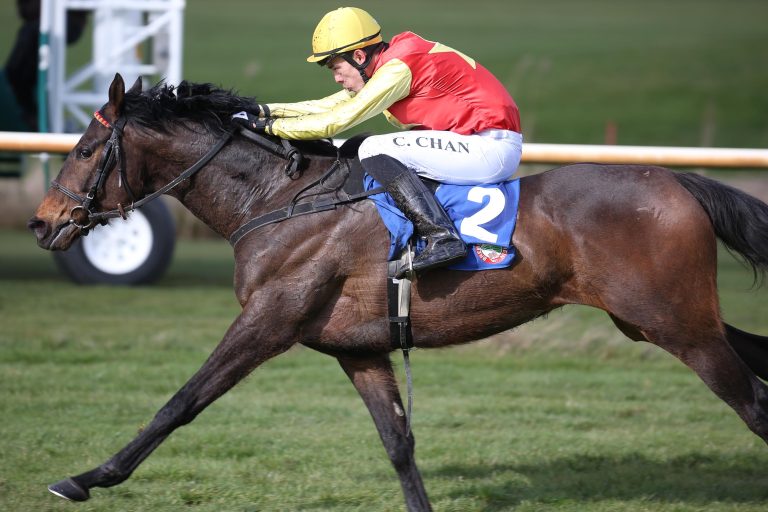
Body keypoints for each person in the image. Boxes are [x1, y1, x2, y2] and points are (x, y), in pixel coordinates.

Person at [232, 7, 522, 276]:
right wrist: (262, 110)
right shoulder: (391, 64)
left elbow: (335, 121)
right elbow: (327, 106)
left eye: (335, 68)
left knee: (373, 147)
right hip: (478, 144)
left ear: (359, 57)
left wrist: (267, 127)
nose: (336, 78)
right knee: (372, 147)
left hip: (489, 148)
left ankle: (442, 237)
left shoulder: (398, 69)